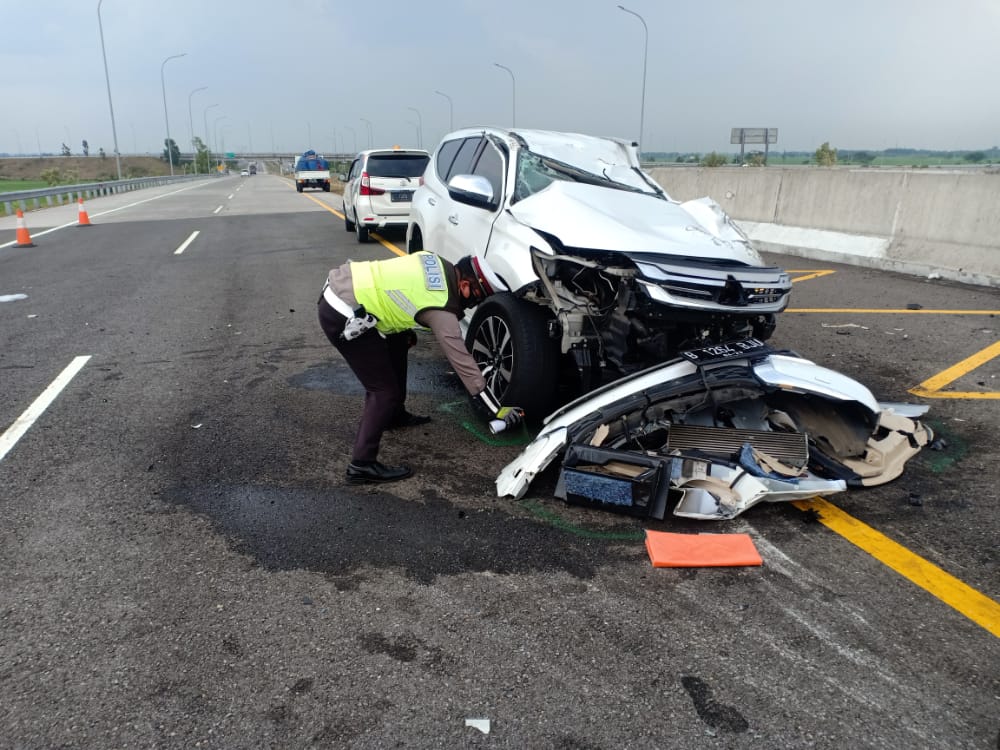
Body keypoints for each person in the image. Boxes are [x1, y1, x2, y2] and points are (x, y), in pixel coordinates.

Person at [317, 251, 523, 484]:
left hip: (345, 288)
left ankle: (394, 415)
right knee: (382, 392)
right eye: (475, 297)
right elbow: (463, 362)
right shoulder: (441, 306)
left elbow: (398, 287)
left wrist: (405, 331)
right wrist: (495, 410)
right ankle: (361, 465)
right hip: (343, 313)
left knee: (399, 343)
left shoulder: (435, 261)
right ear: (464, 284)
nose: (473, 303)